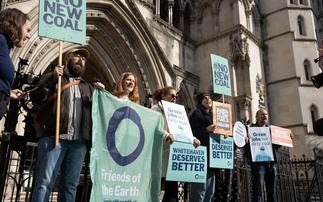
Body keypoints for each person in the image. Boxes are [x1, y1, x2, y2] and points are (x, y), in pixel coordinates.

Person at [30, 48, 104, 202]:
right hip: (53, 137)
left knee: (70, 186)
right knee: (45, 182)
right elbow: (36, 98)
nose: (81, 59)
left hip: (78, 143)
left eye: (84, 58)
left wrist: (102, 94)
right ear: (66, 59)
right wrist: (52, 78)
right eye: (77, 56)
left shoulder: (88, 88)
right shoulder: (53, 78)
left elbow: (100, 114)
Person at [151, 86, 200, 202]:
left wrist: (193, 139)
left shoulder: (177, 112)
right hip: (159, 153)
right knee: (156, 190)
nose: (174, 98)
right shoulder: (156, 109)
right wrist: (166, 135)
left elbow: (183, 130)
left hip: (173, 156)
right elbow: (153, 127)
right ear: (163, 96)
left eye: (176, 96)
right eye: (172, 96)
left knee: (172, 193)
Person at [246, 108, 293, 202]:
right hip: (258, 165)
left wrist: (287, 137)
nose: (265, 116)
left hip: (271, 165)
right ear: (256, 117)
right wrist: (246, 139)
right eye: (262, 114)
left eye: (266, 114)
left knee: (272, 193)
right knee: (258, 192)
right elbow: (246, 147)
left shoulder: (271, 130)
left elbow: (277, 145)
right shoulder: (250, 130)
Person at [0, 8, 31, 120]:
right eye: (27, 30)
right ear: (17, 25)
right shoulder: (1, 41)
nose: (29, 36)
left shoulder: (5, 47)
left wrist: (7, 92)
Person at [189, 93, 217, 202]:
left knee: (210, 191)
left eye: (209, 98)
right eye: (205, 98)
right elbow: (192, 132)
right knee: (199, 190)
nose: (208, 99)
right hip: (201, 156)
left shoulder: (214, 116)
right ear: (200, 101)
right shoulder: (197, 113)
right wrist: (206, 129)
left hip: (213, 157)